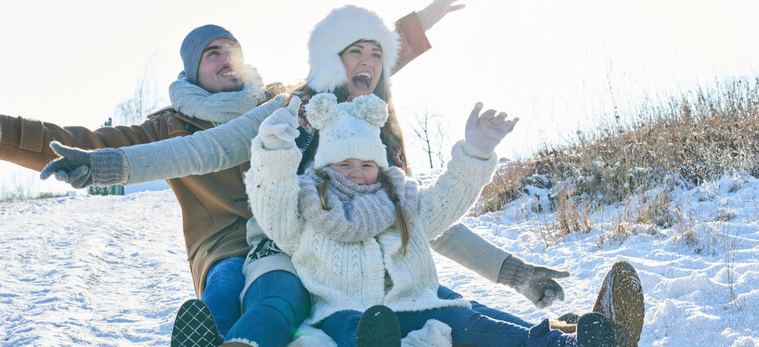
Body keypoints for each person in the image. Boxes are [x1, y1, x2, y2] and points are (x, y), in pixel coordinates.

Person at [40, 5, 645, 347]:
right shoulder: (291, 107)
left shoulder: (376, 126)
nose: (368, 64)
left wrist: (515, 272)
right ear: (331, 60)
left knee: (449, 308)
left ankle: (575, 339)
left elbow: (424, 218)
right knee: (268, 299)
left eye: (377, 56)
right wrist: (101, 166)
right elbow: (199, 151)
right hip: (289, 247)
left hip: (372, 258)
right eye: (355, 54)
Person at [243, 68, 616, 346]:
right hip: (343, 314)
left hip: (419, 305)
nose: (357, 173)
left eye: (367, 164)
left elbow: (447, 201)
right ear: (326, 166)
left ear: (380, 165)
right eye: (345, 164)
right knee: (356, 335)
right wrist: (273, 151)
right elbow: (270, 202)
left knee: (477, 327)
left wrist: (475, 152)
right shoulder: (309, 206)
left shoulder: (402, 202)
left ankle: (566, 344)